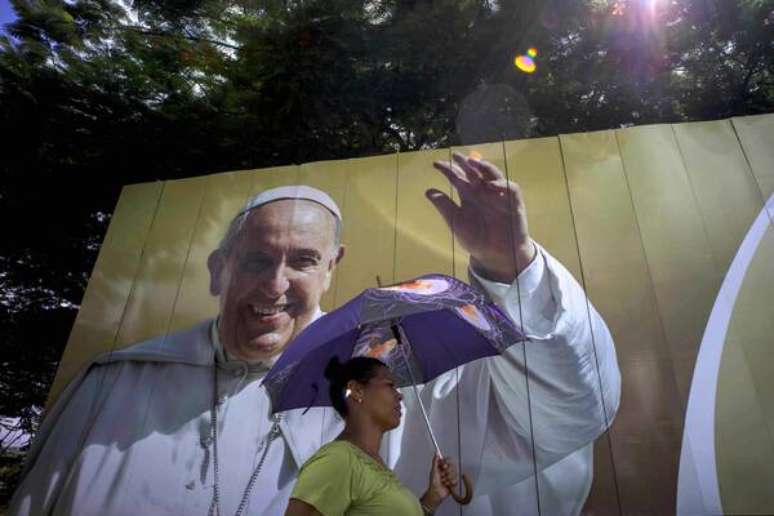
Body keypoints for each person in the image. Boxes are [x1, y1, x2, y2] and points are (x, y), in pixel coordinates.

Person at [10, 153, 620, 516]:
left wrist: (510, 266)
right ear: (219, 269)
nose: (275, 285)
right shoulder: (116, 385)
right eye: (255, 261)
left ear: (331, 266)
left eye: (301, 260)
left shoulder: (389, 389)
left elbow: (570, 411)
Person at [285, 357, 457, 516]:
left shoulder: (374, 464)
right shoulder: (338, 460)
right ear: (356, 391)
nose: (400, 395)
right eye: (390, 385)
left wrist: (432, 498)